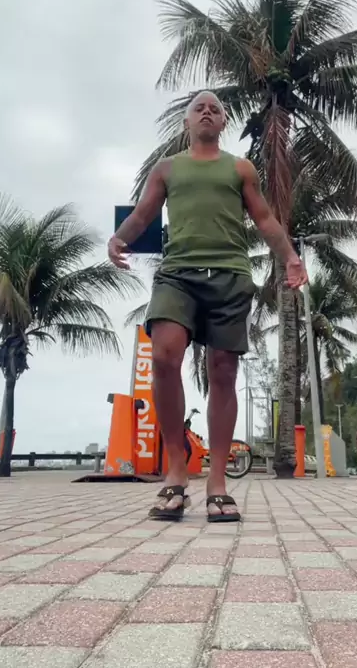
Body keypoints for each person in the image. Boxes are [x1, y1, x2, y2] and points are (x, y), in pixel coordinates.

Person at [108, 91, 307, 523]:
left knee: (223, 371)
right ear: (187, 121)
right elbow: (143, 214)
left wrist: (290, 256)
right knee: (164, 356)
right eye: (199, 108)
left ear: (222, 123)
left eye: (215, 109)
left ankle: (217, 482)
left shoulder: (240, 168)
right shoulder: (167, 169)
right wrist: (119, 238)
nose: (206, 112)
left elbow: (265, 219)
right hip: (177, 275)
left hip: (230, 275)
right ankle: (176, 471)